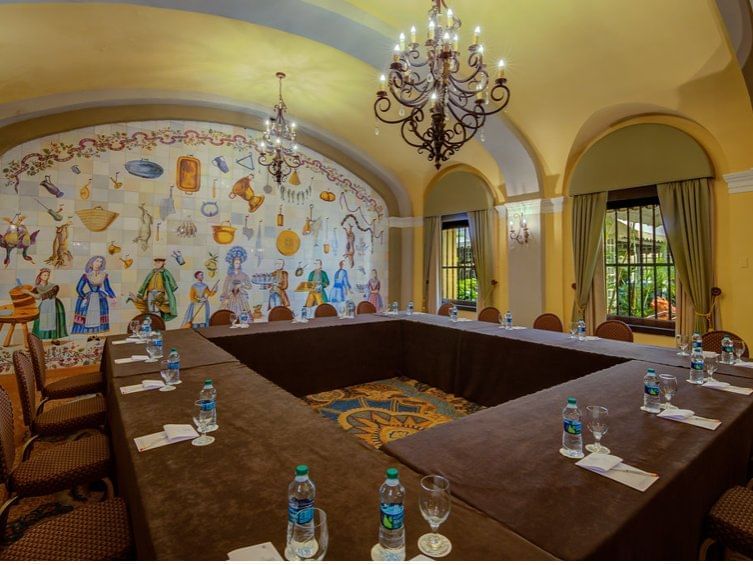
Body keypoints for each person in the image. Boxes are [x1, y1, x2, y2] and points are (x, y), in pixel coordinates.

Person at [71, 255, 116, 334]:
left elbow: (107, 288)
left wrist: (113, 297)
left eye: (101, 262)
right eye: (97, 261)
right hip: (89, 298)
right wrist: (84, 297)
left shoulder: (104, 275)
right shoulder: (86, 275)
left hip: (100, 298)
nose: (99, 263)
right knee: (87, 317)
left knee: (100, 318)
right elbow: (79, 288)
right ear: (92, 263)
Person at [31, 268, 68, 343]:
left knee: (54, 321)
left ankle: (54, 338)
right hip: (44, 305)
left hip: (54, 304)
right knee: (41, 321)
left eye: (48, 275)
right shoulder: (36, 287)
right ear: (40, 276)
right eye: (44, 275)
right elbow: (33, 296)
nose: (46, 277)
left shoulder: (54, 286)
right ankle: (39, 338)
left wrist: (30, 293)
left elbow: (44, 295)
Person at [221, 246, 252, 317]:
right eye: (236, 263)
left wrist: (242, 285)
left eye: (238, 263)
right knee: (229, 314)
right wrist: (225, 297)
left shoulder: (244, 275)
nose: (237, 265)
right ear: (232, 264)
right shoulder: (229, 276)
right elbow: (225, 288)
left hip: (241, 296)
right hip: (230, 296)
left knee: (243, 314)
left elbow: (249, 286)